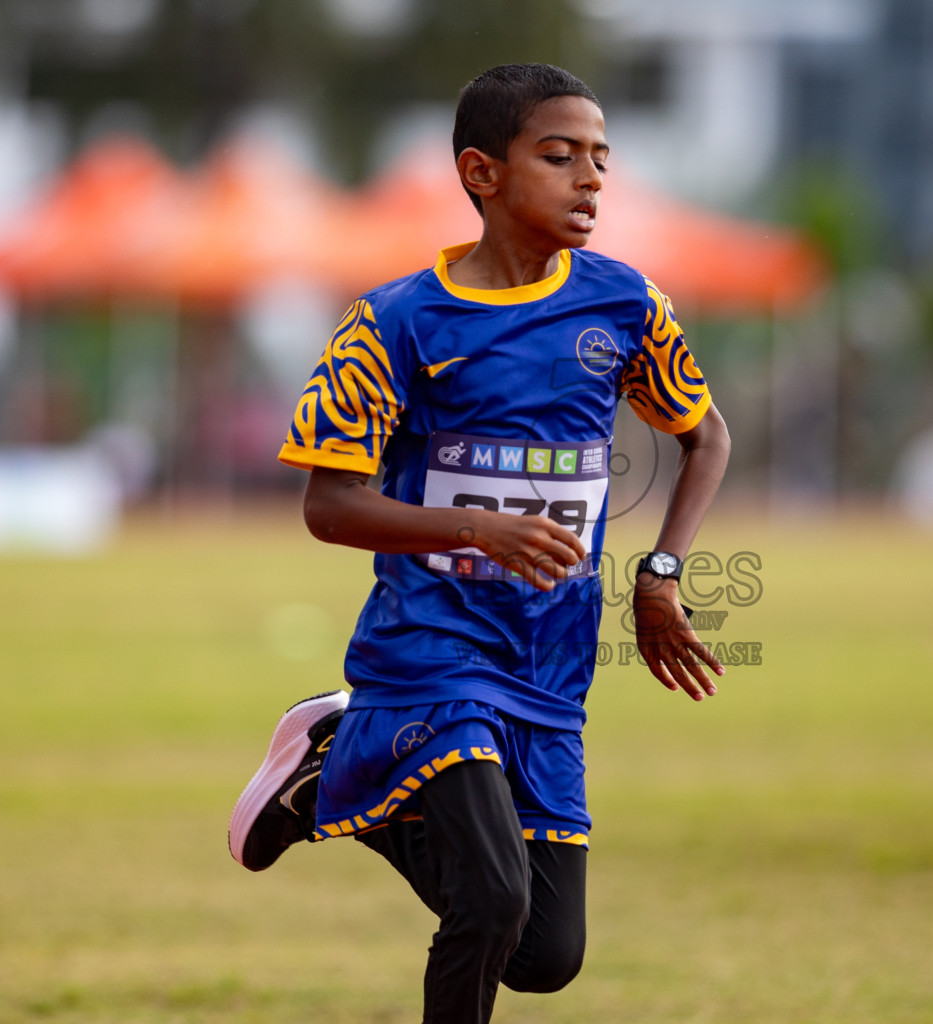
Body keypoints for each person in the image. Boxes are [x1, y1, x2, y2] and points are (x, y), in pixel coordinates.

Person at [227, 63, 731, 1024]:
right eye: (559, 156)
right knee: (493, 899)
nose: (591, 179)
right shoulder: (395, 324)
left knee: (544, 955)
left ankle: (334, 767)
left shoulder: (624, 306)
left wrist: (659, 573)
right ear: (482, 171)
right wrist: (478, 530)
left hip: (550, 661)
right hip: (431, 647)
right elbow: (329, 506)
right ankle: (364, 749)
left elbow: (705, 437)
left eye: (600, 159)